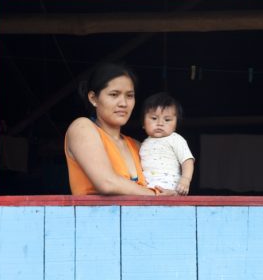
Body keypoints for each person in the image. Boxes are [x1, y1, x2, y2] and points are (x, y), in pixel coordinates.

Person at [64, 62, 177, 196]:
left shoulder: (137, 146)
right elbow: (107, 183)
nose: (123, 103)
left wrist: (172, 192)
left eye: (129, 96)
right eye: (114, 94)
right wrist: (155, 195)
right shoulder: (82, 127)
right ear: (93, 98)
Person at [140, 92, 195, 195]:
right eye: (154, 118)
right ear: (143, 123)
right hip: (149, 192)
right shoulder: (143, 144)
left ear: (175, 125)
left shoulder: (175, 139)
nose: (160, 123)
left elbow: (187, 160)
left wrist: (185, 179)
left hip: (172, 190)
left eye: (167, 120)